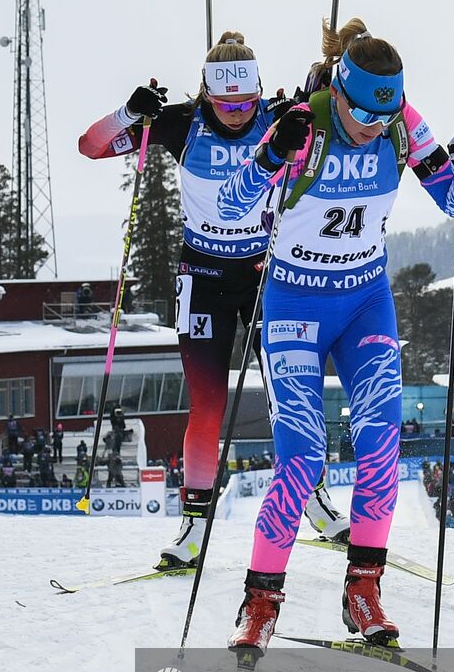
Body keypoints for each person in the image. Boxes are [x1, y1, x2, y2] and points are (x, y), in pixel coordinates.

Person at [218, 17, 454, 653]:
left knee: (381, 446)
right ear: (338, 91)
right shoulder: (301, 125)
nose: (371, 127)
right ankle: (261, 601)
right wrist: (270, 155)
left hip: (365, 303)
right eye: (361, 114)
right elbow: (230, 206)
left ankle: (363, 590)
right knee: (302, 458)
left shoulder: (400, 124)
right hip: (294, 306)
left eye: (382, 116)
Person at [79, 30, 349, 567]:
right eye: (226, 105)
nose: (238, 115)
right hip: (202, 275)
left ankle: (314, 499)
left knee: (291, 392)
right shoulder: (182, 123)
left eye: (247, 103)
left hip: (268, 274)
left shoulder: (278, 117)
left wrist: (327, 87)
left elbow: (342, 126)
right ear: (206, 95)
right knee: (207, 404)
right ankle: (194, 527)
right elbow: (92, 146)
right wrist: (129, 112)